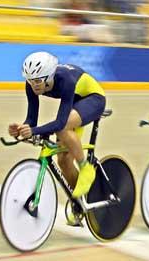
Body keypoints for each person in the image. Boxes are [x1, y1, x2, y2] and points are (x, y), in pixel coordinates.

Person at [8, 52, 106, 222]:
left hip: (93, 99)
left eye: (38, 81)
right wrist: (22, 129)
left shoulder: (65, 79)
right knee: (63, 160)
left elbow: (60, 123)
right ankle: (80, 202)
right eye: (30, 80)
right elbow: (32, 119)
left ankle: (86, 168)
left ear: (49, 76)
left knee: (63, 128)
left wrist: (35, 131)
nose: (34, 85)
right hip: (75, 102)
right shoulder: (31, 83)